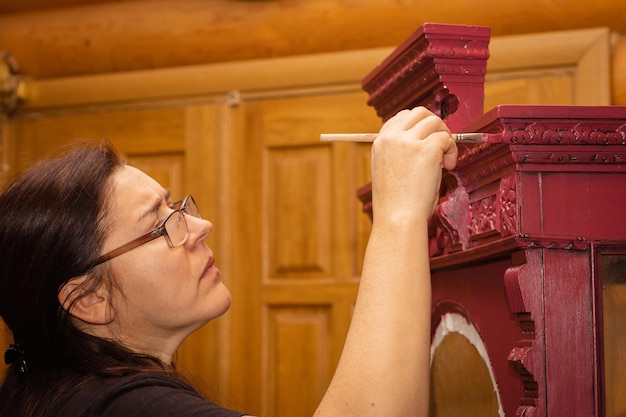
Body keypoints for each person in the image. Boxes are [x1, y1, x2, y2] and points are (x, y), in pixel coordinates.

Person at [0, 106, 457, 417]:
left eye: (175, 206)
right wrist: (398, 215)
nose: (199, 227)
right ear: (89, 298)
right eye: (161, 227)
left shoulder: (47, 387)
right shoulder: (124, 407)